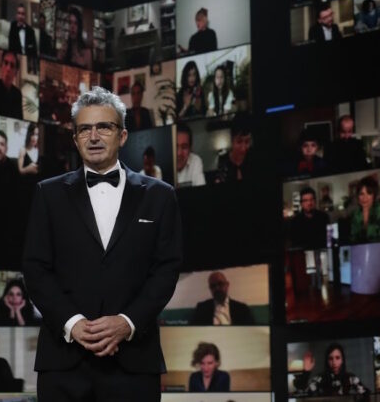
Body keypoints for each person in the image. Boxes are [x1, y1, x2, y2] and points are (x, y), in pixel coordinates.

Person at [22, 86, 181, 402]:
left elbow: (166, 270)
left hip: (134, 364)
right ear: (75, 139)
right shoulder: (47, 194)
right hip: (64, 364)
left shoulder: (160, 196)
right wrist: (73, 324)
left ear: (122, 136)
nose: (93, 136)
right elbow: (35, 268)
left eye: (104, 127)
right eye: (84, 129)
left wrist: (127, 323)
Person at [293, 343, 370, 395]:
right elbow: (303, 392)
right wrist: (306, 371)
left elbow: (366, 393)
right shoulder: (320, 378)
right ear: (327, 361)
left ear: (342, 360)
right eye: (330, 358)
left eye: (337, 358)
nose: (334, 362)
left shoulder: (350, 378)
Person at [189, 271, 254, 326]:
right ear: (210, 289)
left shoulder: (242, 308)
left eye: (220, 284)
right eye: (213, 286)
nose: (217, 288)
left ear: (227, 285)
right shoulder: (201, 308)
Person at [349, 175, 380, 242]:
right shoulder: (355, 214)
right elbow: (353, 238)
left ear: (374, 195)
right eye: (361, 194)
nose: (364, 198)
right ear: (358, 196)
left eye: (369, 193)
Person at [216, 115, 253, 182]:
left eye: (247, 141)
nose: (243, 148)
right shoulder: (223, 160)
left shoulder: (252, 157)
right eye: (239, 142)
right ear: (231, 140)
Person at [8, 3, 38, 67]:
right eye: (19, 13)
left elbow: (34, 51)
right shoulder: (13, 26)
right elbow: (10, 47)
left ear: (25, 16)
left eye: (23, 14)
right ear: (16, 15)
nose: (21, 16)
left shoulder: (31, 31)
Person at [176, 122, 205, 187]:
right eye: (176, 146)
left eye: (184, 147)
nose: (179, 153)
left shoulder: (195, 160)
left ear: (190, 149)